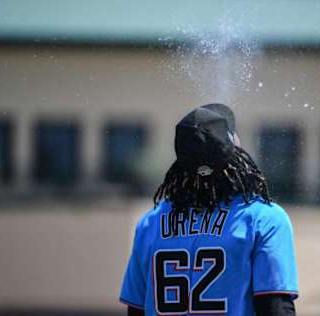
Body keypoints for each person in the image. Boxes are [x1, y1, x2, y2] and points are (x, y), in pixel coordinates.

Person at [120, 103, 298, 316]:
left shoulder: (151, 222)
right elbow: (276, 309)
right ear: (235, 151)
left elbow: (135, 311)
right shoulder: (264, 219)